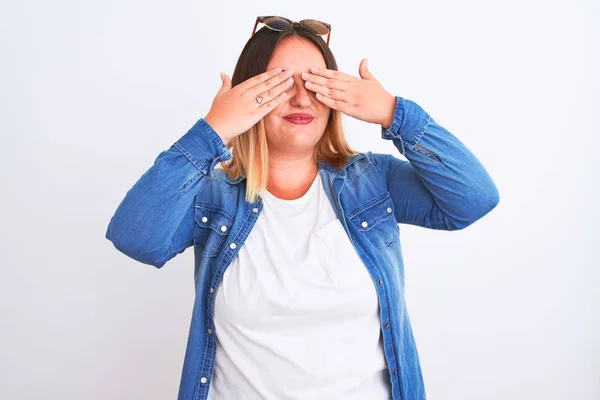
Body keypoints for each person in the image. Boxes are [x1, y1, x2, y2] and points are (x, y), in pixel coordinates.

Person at [105, 16, 499, 400]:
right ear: (249, 96)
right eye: (279, 84)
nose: (300, 98)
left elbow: (473, 199)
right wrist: (214, 130)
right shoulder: (213, 195)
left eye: (316, 82)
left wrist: (395, 113)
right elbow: (136, 237)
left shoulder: (373, 182)